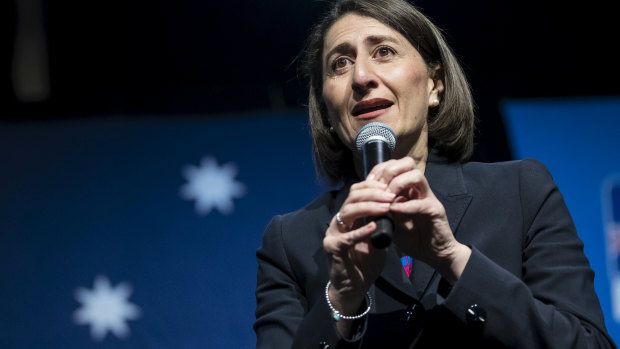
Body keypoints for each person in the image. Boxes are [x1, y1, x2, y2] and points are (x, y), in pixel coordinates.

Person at [254, 0, 617, 347]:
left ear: (434, 85)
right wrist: (341, 300)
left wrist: (454, 259)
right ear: (327, 110)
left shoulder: (522, 192)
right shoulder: (290, 241)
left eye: (383, 51)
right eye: (340, 63)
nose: (361, 76)